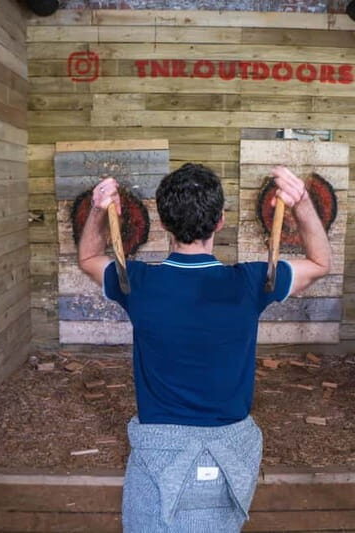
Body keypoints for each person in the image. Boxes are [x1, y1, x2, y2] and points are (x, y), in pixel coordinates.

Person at [77, 163, 331, 532]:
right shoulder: (251, 281)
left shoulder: (136, 281)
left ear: (163, 222)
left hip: (159, 452)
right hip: (229, 454)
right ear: (220, 222)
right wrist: (303, 203)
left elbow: (86, 258)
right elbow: (321, 262)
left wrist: (99, 211)